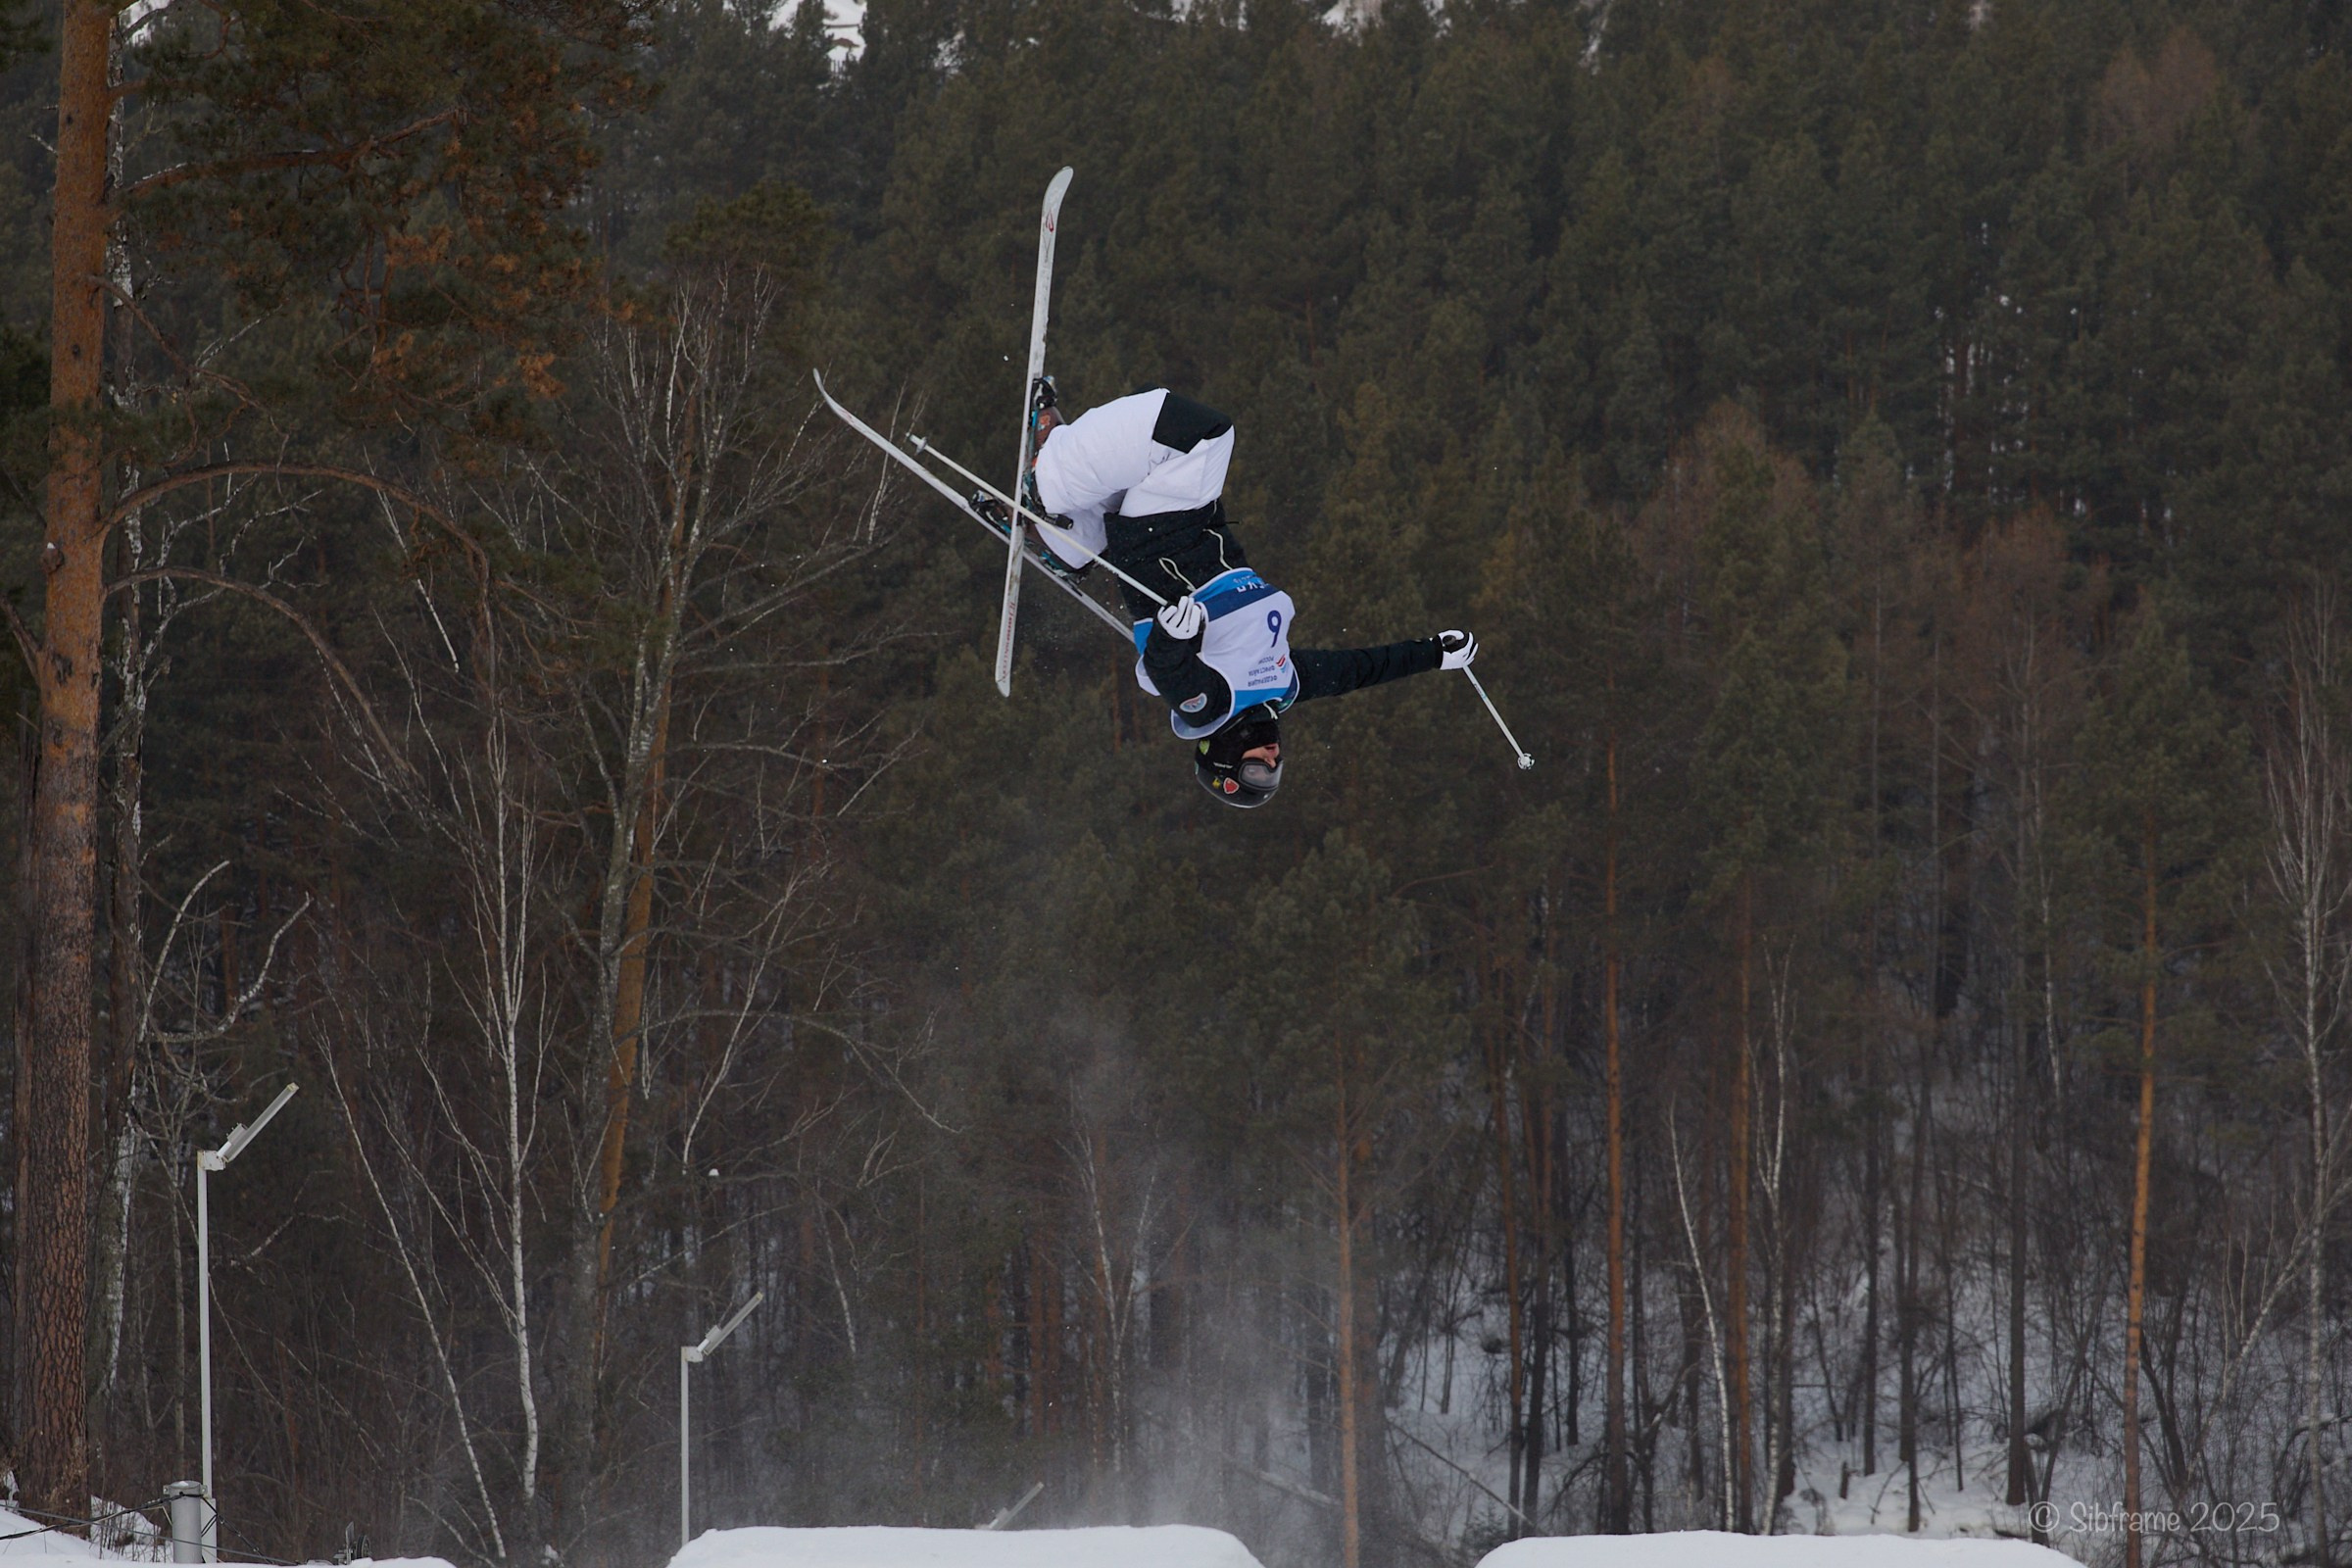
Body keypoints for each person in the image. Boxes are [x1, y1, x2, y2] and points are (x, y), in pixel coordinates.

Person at [1002, 381, 1478, 808]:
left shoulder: (1211, 703)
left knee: (1203, 434)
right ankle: (1073, 541)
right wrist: (1435, 654)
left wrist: (1173, 636)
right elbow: (1358, 669)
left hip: (1160, 535)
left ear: (1223, 760)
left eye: (1255, 770)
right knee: (1156, 443)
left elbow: (1170, 671)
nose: (1271, 759)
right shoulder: (1283, 685)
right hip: (1184, 522)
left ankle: (1052, 474)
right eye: (1275, 770)